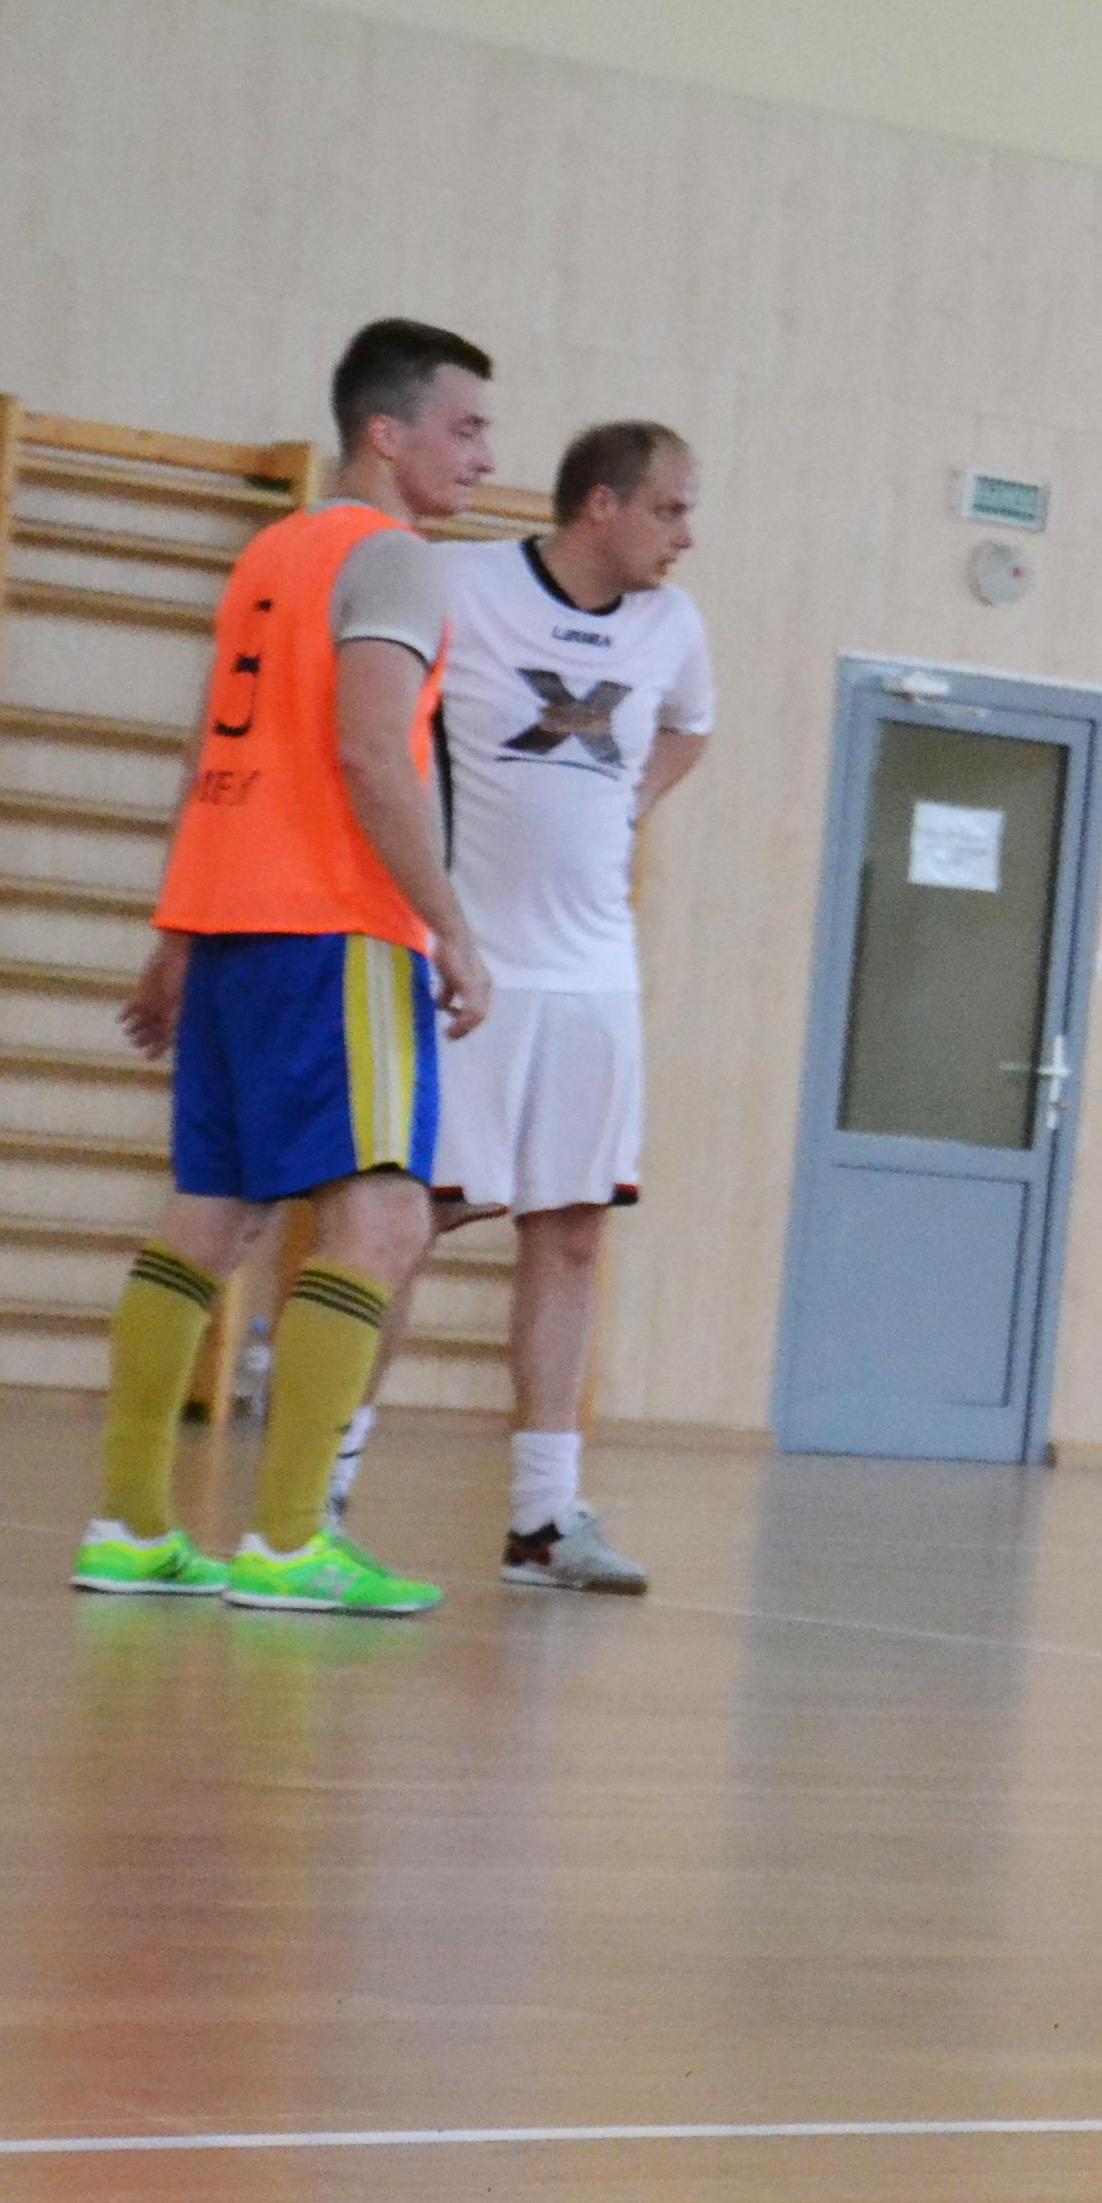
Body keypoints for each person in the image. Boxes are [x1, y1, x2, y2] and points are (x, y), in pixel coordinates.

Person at [67, 317, 496, 1616]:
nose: (485, 456)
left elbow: (217, 757)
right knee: (384, 1218)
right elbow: (371, 754)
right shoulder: (394, 560)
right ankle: (293, 1540)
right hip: (337, 925)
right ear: (388, 432)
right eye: (466, 427)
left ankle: (132, 1527)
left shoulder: (272, 554)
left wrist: (178, 934)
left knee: (214, 1212)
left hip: (236, 924)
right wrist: (452, 923)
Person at [361, 419, 714, 1597]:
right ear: (600, 505)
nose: (684, 536)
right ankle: (324, 1490)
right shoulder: (459, 584)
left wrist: (631, 806)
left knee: (572, 1233)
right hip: (467, 966)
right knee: (403, 1224)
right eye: (668, 510)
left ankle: (543, 1519)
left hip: (596, 976)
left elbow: (690, 726)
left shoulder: (674, 626)